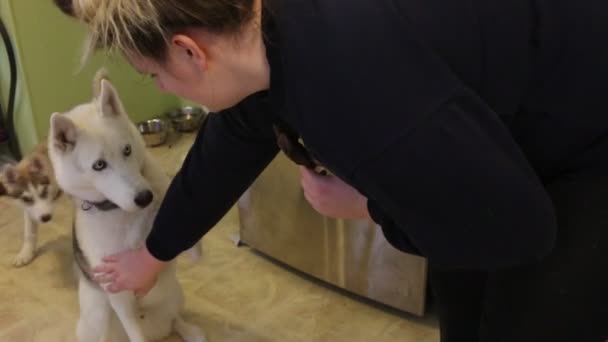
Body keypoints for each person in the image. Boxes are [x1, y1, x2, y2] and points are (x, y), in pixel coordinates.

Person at [53, 0, 608, 341]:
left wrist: (369, 207)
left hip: (585, 137)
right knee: (463, 296)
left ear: (190, 53)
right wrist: (155, 254)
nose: (163, 90)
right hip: (491, 110)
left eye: (156, 77)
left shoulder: (358, 91)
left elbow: (519, 229)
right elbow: (226, 147)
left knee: (534, 316)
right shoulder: (259, 28)